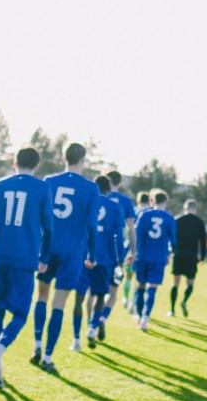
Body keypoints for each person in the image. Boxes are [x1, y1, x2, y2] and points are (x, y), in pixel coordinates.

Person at [0, 147, 51, 389]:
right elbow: (49, 228)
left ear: (14, 162)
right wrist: (45, 257)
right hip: (24, 258)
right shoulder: (42, 188)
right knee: (20, 314)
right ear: (37, 166)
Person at [30, 142, 101, 372]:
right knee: (59, 303)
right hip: (72, 252)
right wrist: (92, 253)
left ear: (64, 158)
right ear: (83, 160)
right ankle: (48, 356)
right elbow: (91, 224)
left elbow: (39, 216)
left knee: (41, 296)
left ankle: (37, 345)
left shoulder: (50, 181)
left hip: (48, 248)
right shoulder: (91, 188)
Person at [91, 170, 135, 340]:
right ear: (119, 182)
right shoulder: (124, 202)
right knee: (112, 292)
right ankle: (101, 319)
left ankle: (91, 325)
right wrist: (133, 250)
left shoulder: (94, 198)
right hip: (116, 254)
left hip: (93, 251)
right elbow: (131, 228)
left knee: (93, 294)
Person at [83, 174, 121, 345]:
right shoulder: (115, 207)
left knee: (87, 294)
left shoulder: (87, 201)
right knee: (100, 294)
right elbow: (119, 236)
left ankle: (86, 328)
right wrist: (119, 260)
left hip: (84, 255)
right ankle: (93, 325)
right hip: (104, 257)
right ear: (109, 188)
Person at [132, 191, 176, 330]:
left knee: (140, 286)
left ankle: (138, 315)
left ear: (152, 201)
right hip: (159, 258)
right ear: (166, 201)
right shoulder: (169, 218)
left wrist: (132, 252)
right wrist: (170, 254)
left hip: (143, 256)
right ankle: (145, 318)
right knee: (152, 288)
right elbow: (174, 241)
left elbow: (136, 235)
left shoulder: (144, 215)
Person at [170, 198, 207, 317]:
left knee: (176, 283)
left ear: (184, 208)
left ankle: (172, 310)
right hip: (192, 255)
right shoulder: (200, 222)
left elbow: (172, 238)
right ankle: (184, 301)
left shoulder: (178, 220)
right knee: (190, 283)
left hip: (179, 254)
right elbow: (203, 241)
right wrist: (202, 257)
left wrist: (172, 251)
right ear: (195, 209)